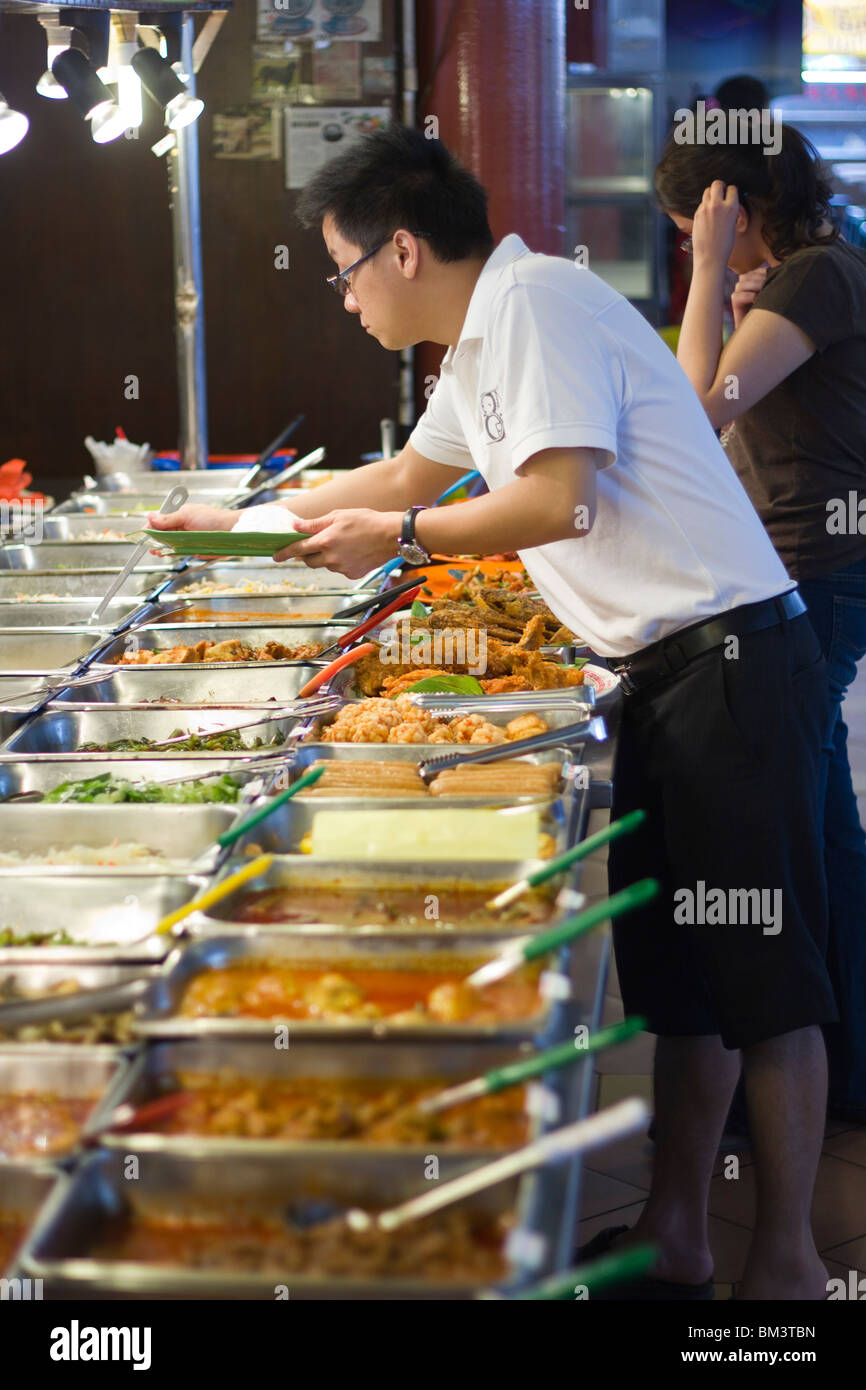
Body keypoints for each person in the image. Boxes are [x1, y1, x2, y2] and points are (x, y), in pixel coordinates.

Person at [150, 124, 837, 1298]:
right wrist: (231, 523)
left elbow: (555, 503)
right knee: (680, 983)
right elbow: (402, 482)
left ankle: (787, 1262)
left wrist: (397, 538)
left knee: (765, 985)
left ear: (401, 249)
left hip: (733, 664)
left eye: (342, 269)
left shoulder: (532, 307)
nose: (344, 297)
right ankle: (677, 1230)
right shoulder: (477, 346)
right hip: (663, 677)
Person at [655, 124, 866, 1120]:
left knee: (801, 819)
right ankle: (835, 1059)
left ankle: (818, 1061)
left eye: (691, 225)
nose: (697, 246)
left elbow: (696, 411)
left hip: (817, 570)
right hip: (803, 567)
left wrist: (703, 272)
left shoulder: (812, 276)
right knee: (819, 813)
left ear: (726, 204)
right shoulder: (804, 273)